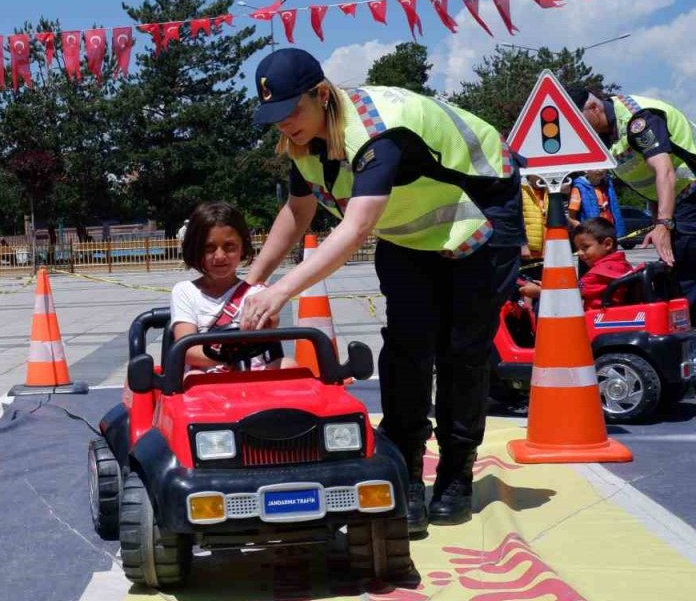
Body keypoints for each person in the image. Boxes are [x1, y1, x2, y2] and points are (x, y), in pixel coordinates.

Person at [239, 49, 522, 532]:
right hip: (410, 232)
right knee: (407, 350)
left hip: (477, 216)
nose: (284, 126)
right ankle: (406, 470)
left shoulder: (377, 133)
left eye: (291, 112)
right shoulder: (305, 141)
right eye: (274, 118)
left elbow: (353, 230)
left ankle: (456, 472)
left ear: (322, 95)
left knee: (463, 351)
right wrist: (251, 281)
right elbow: (297, 212)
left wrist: (281, 292)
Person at [570, 88, 696, 319]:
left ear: (594, 108)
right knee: (676, 275)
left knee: (686, 277)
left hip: (691, 193)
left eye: (579, 122)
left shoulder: (639, 120)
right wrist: (655, 222)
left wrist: (663, 225)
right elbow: (649, 183)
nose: (579, 130)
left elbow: (665, 172)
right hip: (678, 202)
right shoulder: (605, 135)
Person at [170, 202, 286, 374]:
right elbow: (187, 348)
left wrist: (271, 319)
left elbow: (270, 330)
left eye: (229, 246)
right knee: (194, 377)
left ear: (242, 247)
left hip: (255, 371)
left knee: (288, 364)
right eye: (209, 248)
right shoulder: (185, 291)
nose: (220, 256)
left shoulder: (258, 293)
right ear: (195, 249)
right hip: (209, 373)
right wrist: (227, 357)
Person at [518, 218, 633, 310]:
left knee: (544, 307)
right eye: (578, 248)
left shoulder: (599, 274)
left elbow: (570, 294)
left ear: (607, 244)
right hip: (610, 314)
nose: (579, 253)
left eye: (585, 247)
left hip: (596, 321)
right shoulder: (621, 264)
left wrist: (540, 292)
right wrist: (547, 286)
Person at [568, 169, 625, 236]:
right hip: (592, 234)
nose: (600, 170)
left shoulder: (608, 186)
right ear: (586, 170)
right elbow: (572, 216)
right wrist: (581, 229)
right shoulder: (580, 188)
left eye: (603, 167)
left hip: (609, 230)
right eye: (596, 167)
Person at [520, 175, 548, 262]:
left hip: (549, 251)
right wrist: (522, 245)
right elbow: (515, 220)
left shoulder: (551, 190)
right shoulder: (521, 190)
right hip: (528, 253)